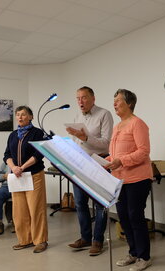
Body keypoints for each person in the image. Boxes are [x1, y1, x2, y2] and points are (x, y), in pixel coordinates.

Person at [105, 89, 153, 271]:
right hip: (119, 180)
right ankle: (133, 252)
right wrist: (105, 161)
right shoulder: (117, 127)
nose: (114, 103)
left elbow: (143, 152)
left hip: (137, 179)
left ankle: (144, 256)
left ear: (129, 103)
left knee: (135, 216)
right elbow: (114, 155)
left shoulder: (138, 124)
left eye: (118, 100)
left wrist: (120, 161)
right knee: (123, 217)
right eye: (114, 100)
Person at [65, 86, 114, 256]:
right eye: (78, 98)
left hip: (98, 165)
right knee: (80, 204)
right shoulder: (78, 116)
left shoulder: (104, 114)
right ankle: (85, 237)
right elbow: (76, 143)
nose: (80, 101)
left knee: (100, 204)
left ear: (93, 98)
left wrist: (85, 137)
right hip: (79, 165)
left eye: (84, 97)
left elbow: (107, 143)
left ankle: (98, 240)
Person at [4, 105, 48, 253]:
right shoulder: (13, 135)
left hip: (34, 174)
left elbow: (38, 154)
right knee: (19, 211)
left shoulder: (37, 133)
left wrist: (22, 167)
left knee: (36, 209)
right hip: (16, 176)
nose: (20, 117)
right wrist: (14, 167)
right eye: (18, 115)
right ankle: (25, 240)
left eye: (23, 114)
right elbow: (7, 155)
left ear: (31, 117)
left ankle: (40, 240)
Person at [0, 162, 14, 235]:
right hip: (6, 186)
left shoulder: (24, 160)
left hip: (20, 185)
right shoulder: (6, 162)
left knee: (19, 198)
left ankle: (17, 222)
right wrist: (4, 176)